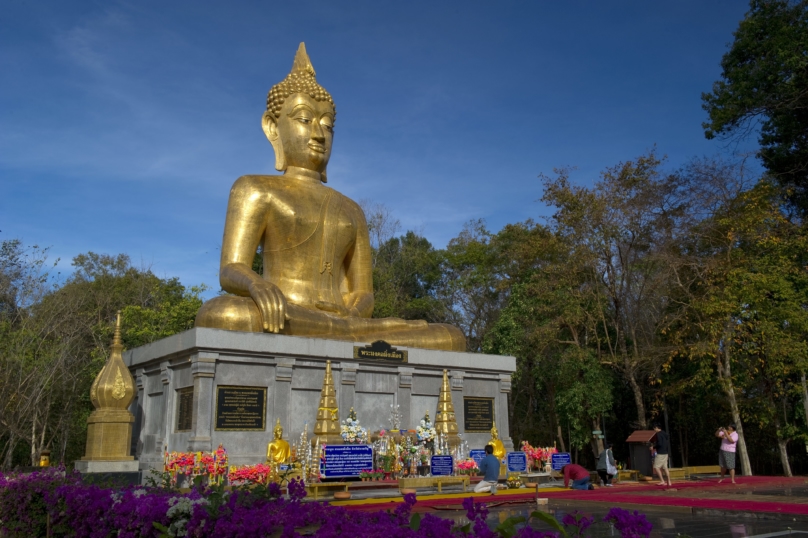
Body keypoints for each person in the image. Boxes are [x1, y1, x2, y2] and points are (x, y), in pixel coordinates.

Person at [194, 43, 465, 352]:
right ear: (272, 128)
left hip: (343, 324)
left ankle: (344, 334)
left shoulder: (351, 209)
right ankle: (342, 335)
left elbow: (363, 293)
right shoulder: (255, 188)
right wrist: (257, 285)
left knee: (450, 336)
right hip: (285, 313)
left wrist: (351, 315)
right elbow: (231, 268)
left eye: (327, 124)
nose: (319, 134)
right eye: (304, 119)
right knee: (225, 314)